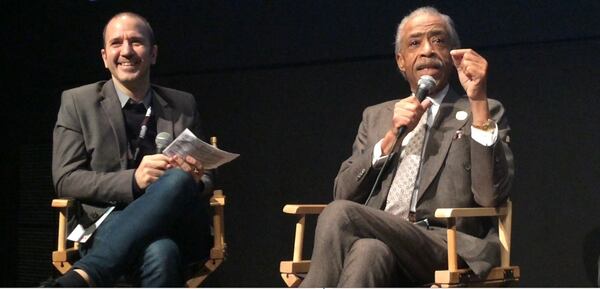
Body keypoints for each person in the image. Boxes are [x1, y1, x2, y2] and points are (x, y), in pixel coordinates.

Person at [300, 6, 514, 287]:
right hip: (383, 239)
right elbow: (344, 191)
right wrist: (390, 136)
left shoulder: (482, 110)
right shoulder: (377, 116)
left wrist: (478, 99)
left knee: (339, 213)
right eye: (415, 43)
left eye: (438, 40)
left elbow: (490, 196)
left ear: (454, 55)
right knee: (368, 251)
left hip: (444, 244)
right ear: (401, 61)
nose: (427, 50)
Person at [47, 12, 213, 287]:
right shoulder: (78, 102)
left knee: (179, 178)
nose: (126, 51)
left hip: (178, 223)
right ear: (104, 57)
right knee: (161, 253)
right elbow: (66, 179)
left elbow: (207, 178)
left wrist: (193, 180)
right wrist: (133, 180)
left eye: (136, 42)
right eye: (116, 43)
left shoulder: (183, 104)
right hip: (106, 223)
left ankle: (85, 276)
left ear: (153, 53)